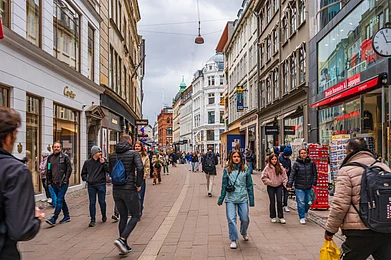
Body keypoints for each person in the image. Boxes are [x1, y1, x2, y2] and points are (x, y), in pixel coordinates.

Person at [324, 137, 391, 259]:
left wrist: (330, 230)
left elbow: (340, 205)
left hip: (359, 231)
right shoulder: (383, 167)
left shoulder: (346, 171)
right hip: (385, 228)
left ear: (350, 151)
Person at [0, 107, 44, 260]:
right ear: (7, 138)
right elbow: (21, 229)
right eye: (15, 135)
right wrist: (35, 218)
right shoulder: (14, 171)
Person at [109, 134, 144, 255]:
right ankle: (122, 239)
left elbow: (110, 171)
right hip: (129, 189)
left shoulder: (113, 155)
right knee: (136, 214)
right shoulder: (134, 153)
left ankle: (124, 246)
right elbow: (140, 168)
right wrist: (138, 183)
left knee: (123, 216)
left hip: (116, 190)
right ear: (130, 141)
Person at [218, 150, 254, 249]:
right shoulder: (227, 170)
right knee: (231, 219)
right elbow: (224, 185)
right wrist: (221, 198)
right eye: (234, 157)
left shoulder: (245, 169)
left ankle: (243, 231)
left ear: (241, 158)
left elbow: (249, 185)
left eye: (238, 156)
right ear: (231, 158)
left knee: (245, 218)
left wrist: (251, 199)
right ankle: (233, 239)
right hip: (230, 198)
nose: (236, 158)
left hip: (242, 197)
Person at [286, 149, 317, 224]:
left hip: (309, 186)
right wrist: (289, 184)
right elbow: (292, 175)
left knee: (308, 202)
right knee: (301, 202)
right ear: (299, 154)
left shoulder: (311, 163)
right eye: (302, 153)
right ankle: (302, 216)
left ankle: (306, 212)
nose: (303, 154)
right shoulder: (296, 164)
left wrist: (314, 181)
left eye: (305, 153)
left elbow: (315, 173)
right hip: (299, 186)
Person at [45, 141, 72, 226]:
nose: (56, 148)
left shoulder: (64, 157)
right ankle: (67, 216)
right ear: (53, 148)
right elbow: (48, 170)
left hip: (63, 183)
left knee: (59, 200)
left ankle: (54, 218)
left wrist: (65, 179)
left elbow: (69, 169)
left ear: (61, 148)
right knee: (62, 200)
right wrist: (49, 181)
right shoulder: (50, 158)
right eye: (55, 147)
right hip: (54, 183)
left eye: (58, 147)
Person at [81, 146, 108, 227]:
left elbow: (108, 170)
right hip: (91, 185)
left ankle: (104, 215)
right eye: (98, 152)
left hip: (101, 184)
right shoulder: (87, 162)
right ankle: (92, 220)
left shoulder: (103, 161)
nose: (100, 153)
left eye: (100, 152)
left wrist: (104, 163)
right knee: (92, 202)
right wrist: (87, 179)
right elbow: (83, 173)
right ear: (94, 153)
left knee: (102, 201)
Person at [261, 154, 288, 224]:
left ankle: (281, 216)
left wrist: (285, 184)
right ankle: (273, 216)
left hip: (279, 186)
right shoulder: (267, 168)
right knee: (272, 201)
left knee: (279, 201)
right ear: (270, 160)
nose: (274, 161)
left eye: (275, 159)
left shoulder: (280, 167)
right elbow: (263, 177)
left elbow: (284, 176)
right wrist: (270, 182)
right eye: (272, 159)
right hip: (271, 186)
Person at [134, 141, 150, 219]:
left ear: (141, 147)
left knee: (140, 195)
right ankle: (136, 211)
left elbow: (147, 167)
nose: (137, 148)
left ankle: (139, 213)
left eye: (138, 146)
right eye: (136, 146)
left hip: (141, 179)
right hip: (132, 179)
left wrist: (143, 176)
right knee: (133, 196)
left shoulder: (145, 157)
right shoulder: (131, 155)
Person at [279, 147, 292, 212]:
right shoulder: (279, 159)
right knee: (281, 192)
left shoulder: (289, 160)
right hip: (280, 178)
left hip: (286, 178)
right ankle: (281, 204)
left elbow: (289, 169)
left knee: (286, 192)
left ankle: (285, 205)